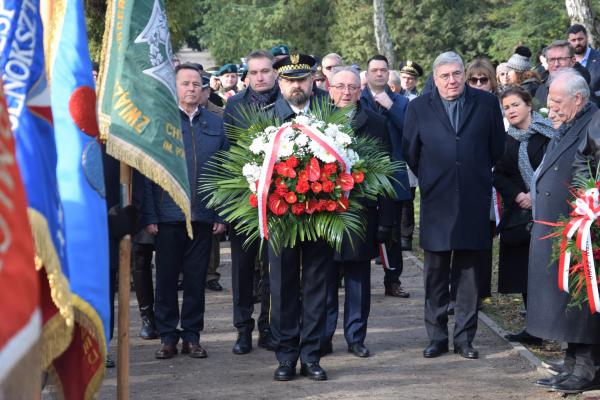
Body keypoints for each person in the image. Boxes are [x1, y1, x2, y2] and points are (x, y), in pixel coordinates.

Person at [403, 51, 505, 360]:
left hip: (474, 200)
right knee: (435, 273)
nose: (452, 80)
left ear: (464, 74)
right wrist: (436, 177)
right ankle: (436, 337)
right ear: (435, 79)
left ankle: (464, 338)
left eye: (456, 74)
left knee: (469, 273)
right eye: (445, 75)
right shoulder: (419, 107)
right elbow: (411, 151)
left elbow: (496, 148)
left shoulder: (486, 103)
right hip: (437, 201)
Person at [142, 64, 228, 360]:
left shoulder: (216, 125)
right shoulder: (160, 122)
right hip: (167, 217)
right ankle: (167, 336)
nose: (191, 88)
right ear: (174, 87)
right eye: (185, 84)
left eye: (196, 84)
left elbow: (224, 172)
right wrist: (150, 215)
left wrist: (220, 214)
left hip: (203, 216)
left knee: (195, 281)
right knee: (165, 280)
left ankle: (192, 336)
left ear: (204, 89)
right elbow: (148, 174)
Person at [529, 68, 600, 394]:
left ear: (579, 98)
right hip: (559, 227)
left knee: (580, 302)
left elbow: (591, 170)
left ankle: (586, 368)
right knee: (565, 303)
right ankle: (571, 361)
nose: (551, 107)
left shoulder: (594, 121)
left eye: (557, 101)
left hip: (581, 229)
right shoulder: (570, 121)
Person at [320, 66, 394, 359]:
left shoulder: (375, 122)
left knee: (358, 280)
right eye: (340, 86)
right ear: (329, 89)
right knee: (323, 280)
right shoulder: (315, 121)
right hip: (323, 213)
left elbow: (388, 173)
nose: (346, 92)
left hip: (361, 213)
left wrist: (386, 220)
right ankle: (323, 335)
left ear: (360, 91)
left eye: (352, 87)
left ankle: (355, 336)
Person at [267, 53, 330, 382]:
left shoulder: (329, 117)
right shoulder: (264, 118)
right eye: (290, 81)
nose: (296, 86)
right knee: (282, 288)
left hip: (320, 218)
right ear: (280, 84)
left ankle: (312, 356)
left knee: (317, 287)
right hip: (281, 220)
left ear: (312, 81)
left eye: (302, 79)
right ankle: (286, 355)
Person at [223, 50, 280, 355]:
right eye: (254, 72)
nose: (260, 77)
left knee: (274, 268)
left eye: (265, 71)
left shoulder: (284, 102)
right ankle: (242, 329)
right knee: (243, 269)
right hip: (243, 200)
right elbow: (227, 150)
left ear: (275, 72)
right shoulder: (234, 105)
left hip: (280, 200)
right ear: (246, 76)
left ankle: (268, 327)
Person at [493, 86, 554, 345]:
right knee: (528, 274)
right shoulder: (506, 140)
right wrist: (519, 195)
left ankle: (555, 327)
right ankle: (533, 328)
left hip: (550, 210)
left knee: (550, 273)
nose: (511, 110)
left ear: (529, 105)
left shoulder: (549, 133)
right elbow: (498, 173)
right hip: (522, 215)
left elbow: (556, 168)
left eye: (515, 104)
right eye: (506, 107)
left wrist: (537, 195)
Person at [360, 54, 412, 298]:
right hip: (363, 174)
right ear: (367, 73)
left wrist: (390, 107)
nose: (379, 74)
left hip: (392, 172)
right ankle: (352, 279)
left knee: (390, 231)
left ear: (389, 72)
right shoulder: (357, 99)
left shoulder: (400, 102)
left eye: (383, 70)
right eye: (374, 70)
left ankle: (393, 280)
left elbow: (411, 131)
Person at [534, 40, 576, 108]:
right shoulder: (541, 90)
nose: (556, 64)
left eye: (561, 59)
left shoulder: (582, 89)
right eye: (552, 60)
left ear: (573, 61)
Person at [567, 24, 600, 94]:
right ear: (568, 42)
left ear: (587, 38)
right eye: (573, 40)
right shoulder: (565, 62)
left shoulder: (598, 58)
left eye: (580, 39)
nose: (577, 43)